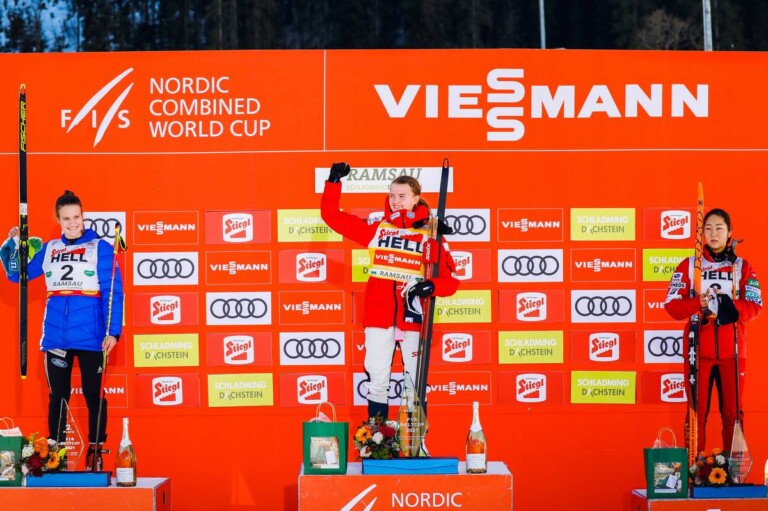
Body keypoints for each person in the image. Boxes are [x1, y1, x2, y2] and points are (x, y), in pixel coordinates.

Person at [321, 163, 459, 420]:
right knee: (377, 380)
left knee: (415, 384)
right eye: (392, 196)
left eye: (402, 196)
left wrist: (432, 286)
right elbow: (333, 218)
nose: (396, 201)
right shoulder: (379, 229)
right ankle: (377, 442)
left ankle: (415, 445)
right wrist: (333, 183)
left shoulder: (431, 234)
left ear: (415, 198)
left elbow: (451, 280)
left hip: (414, 317)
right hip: (379, 316)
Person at [1, 190, 123, 470]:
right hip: (57, 335)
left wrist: (112, 332)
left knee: (94, 396)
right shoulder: (49, 248)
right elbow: (16, 274)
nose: (72, 223)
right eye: (66, 218)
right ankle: (54, 456)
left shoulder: (100, 248)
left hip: (93, 336)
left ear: (83, 217)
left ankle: (95, 453)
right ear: (58, 219)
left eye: (77, 217)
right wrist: (14, 244)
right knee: (59, 397)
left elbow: (113, 291)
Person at [664, 208, 761, 453]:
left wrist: (728, 303)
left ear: (729, 232)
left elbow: (754, 307)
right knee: (696, 413)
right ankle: (696, 468)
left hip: (733, 351)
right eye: (708, 228)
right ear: (701, 233)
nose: (713, 233)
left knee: (733, 414)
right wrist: (699, 302)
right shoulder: (689, 265)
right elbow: (673, 307)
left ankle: (733, 472)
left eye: (719, 228)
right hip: (699, 351)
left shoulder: (742, 266)